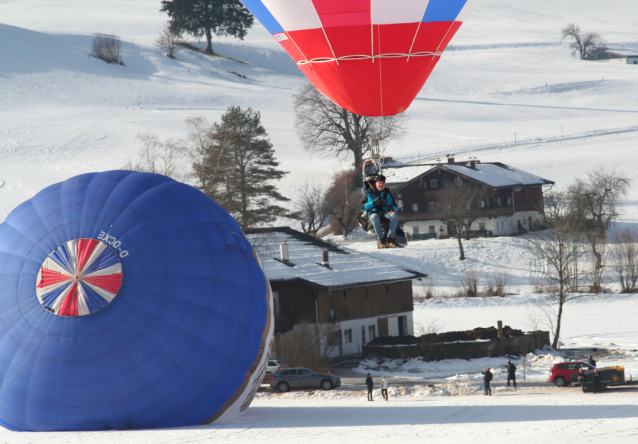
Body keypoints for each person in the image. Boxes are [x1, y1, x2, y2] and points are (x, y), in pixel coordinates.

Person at [361, 175, 399, 248]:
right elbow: (361, 207)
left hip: (385, 213)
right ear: (376, 183)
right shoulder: (368, 193)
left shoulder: (388, 193)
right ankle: (380, 239)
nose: (381, 185)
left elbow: (395, 207)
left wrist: (391, 208)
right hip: (374, 213)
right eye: (379, 183)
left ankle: (390, 238)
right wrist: (373, 203)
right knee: (375, 217)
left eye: (382, 183)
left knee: (395, 215)